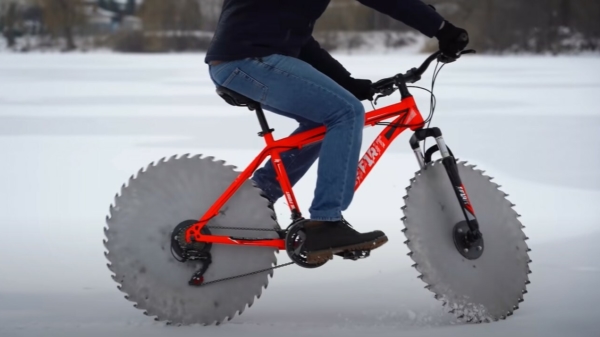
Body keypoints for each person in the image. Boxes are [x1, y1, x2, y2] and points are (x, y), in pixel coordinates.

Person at [205, 0, 469, 261]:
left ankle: (259, 198)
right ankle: (326, 223)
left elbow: (298, 39)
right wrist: (441, 28)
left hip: (243, 59)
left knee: (322, 121)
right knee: (346, 113)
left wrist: (346, 82)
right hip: (249, 59)